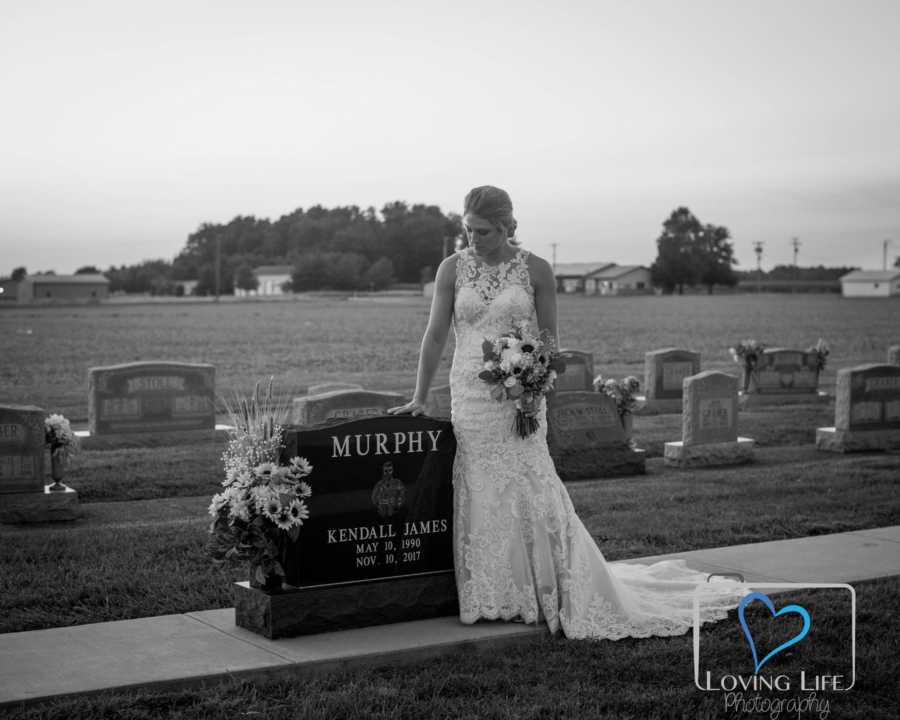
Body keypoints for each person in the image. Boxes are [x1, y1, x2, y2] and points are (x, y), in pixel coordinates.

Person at [389, 185, 745, 639]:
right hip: (471, 395)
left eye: (481, 231)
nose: (472, 238)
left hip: (523, 398)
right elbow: (436, 334)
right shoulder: (452, 269)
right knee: (479, 484)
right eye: (467, 229)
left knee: (531, 481)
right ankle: (495, 594)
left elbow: (550, 341)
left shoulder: (536, 270)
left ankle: (548, 585)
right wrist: (420, 395)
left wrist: (535, 382)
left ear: (505, 227)